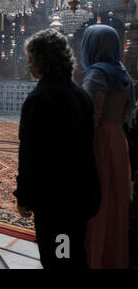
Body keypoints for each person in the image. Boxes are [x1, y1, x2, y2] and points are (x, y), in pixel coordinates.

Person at [14, 29, 101, 269]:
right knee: (73, 255)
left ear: (44, 60)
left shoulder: (41, 99)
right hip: (81, 194)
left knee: (59, 259)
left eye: (31, 59)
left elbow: (31, 156)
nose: (29, 65)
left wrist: (24, 196)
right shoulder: (81, 95)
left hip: (57, 202)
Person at [81, 25, 136, 269]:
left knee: (97, 202)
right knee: (116, 200)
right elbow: (128, 114)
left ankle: (95, 259)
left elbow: (91, 116)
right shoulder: (122, 72)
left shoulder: (97, 73)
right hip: (117, 140)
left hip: (99, 142)